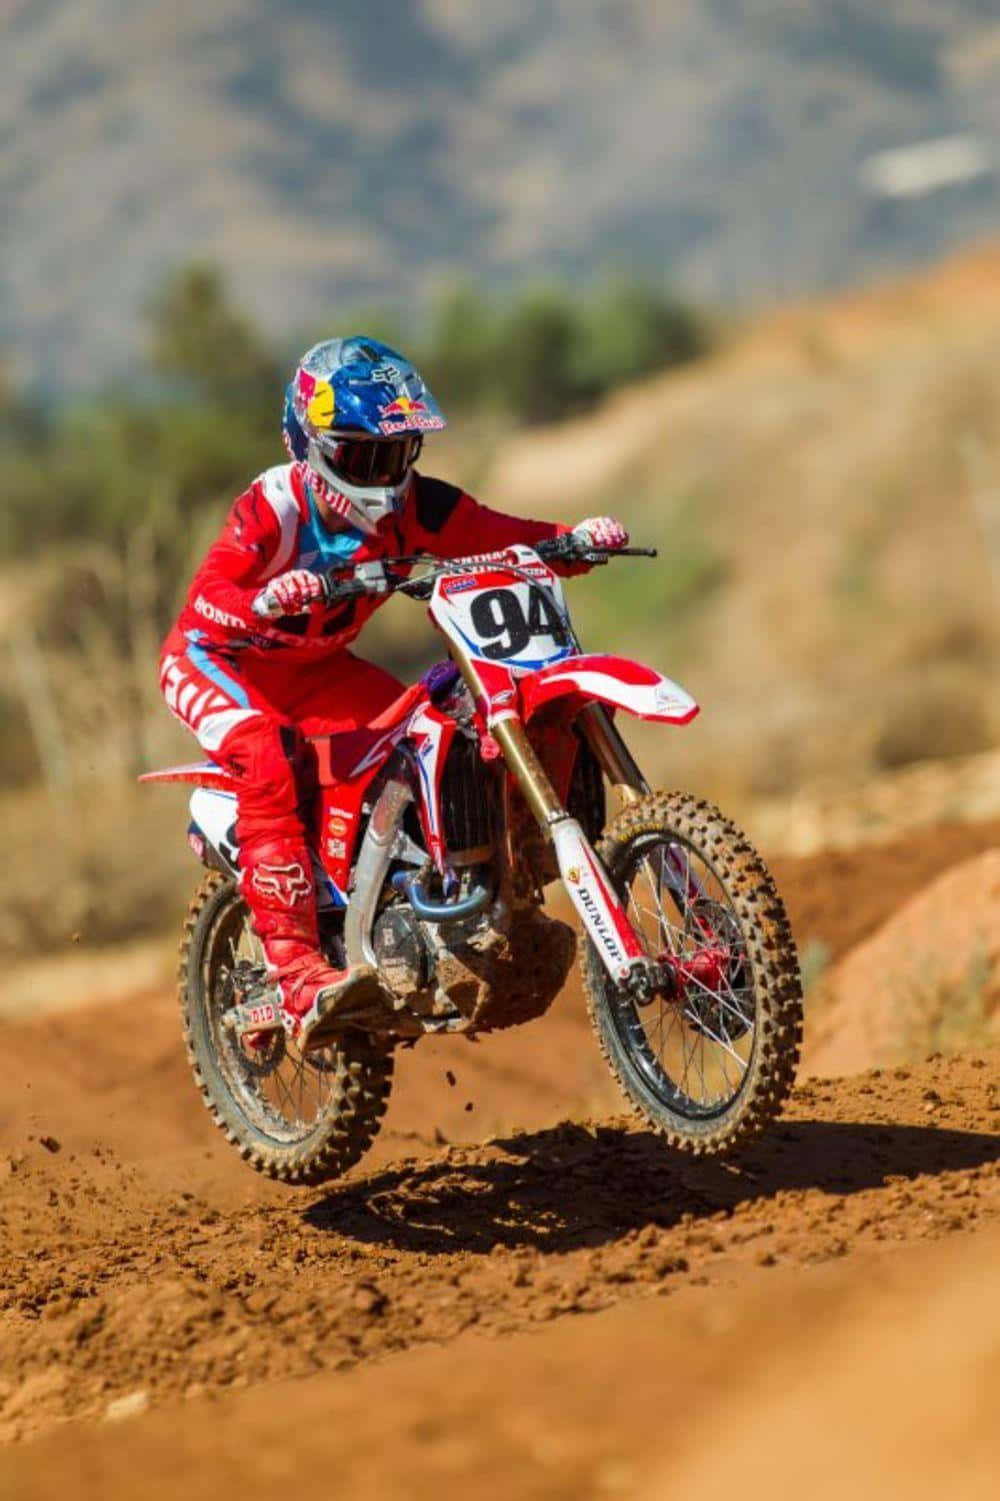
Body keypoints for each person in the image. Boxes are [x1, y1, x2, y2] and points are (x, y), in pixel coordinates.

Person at [159, 336, 628, 1050]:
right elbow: (208, 597)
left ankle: (421, 901)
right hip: (218, 658)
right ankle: (293, 972)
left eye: (399, 452)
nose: (386, 476)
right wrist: (267, 598)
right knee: (263, 750)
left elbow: (504, 535)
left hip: (315, 667)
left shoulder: (419, 506)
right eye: (363, 455)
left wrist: (575, 540)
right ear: (310, 445)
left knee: (419, 729)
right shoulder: (273, 509)